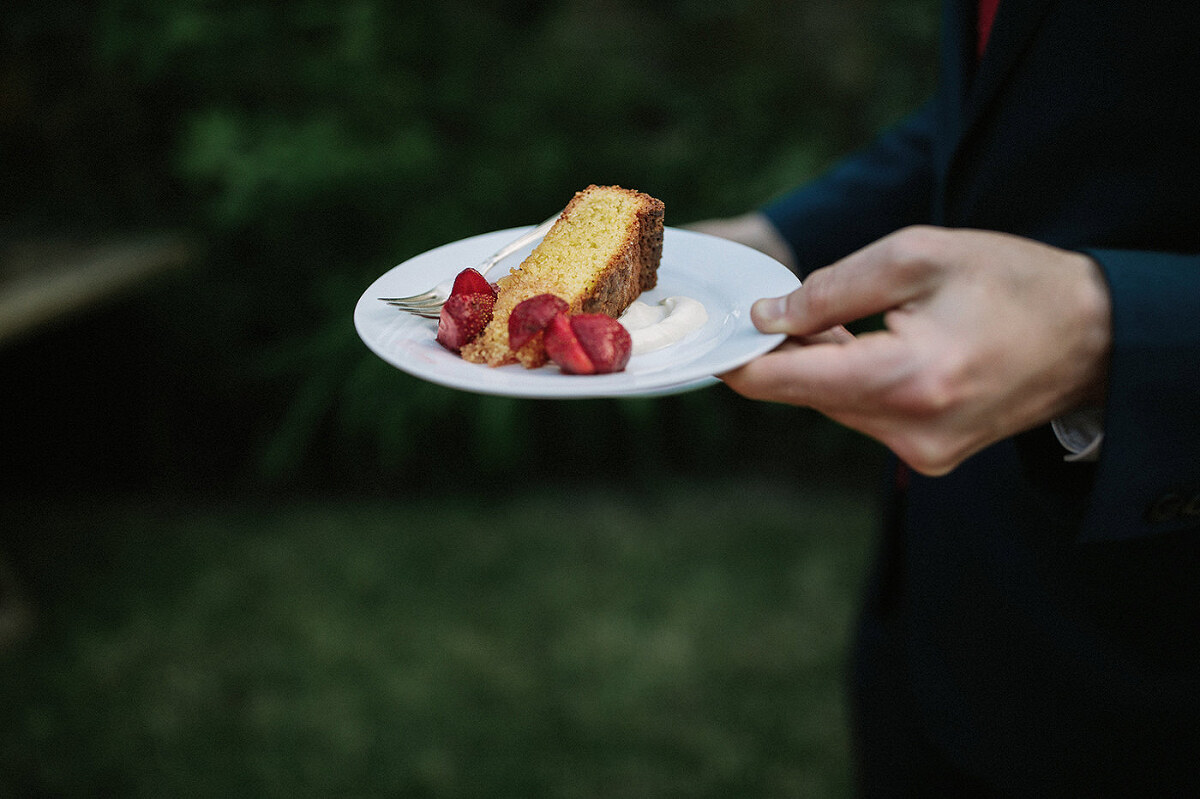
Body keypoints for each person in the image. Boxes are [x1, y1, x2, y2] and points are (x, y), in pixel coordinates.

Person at [693, 1, 1200, 795]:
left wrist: (1107, 331)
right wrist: (773, 238)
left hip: (1150, 662)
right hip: (935, 596)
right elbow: (1007, 112)